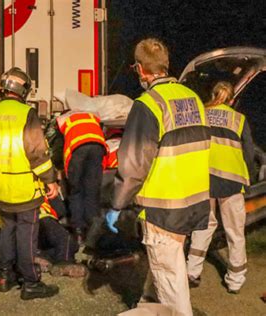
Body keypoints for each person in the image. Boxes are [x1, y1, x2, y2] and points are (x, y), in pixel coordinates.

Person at [106, 38, 211, 316]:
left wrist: (117, 204)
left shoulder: (149, 104)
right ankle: (147, 304)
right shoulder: (194, 99)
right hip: (194, 203)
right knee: (167, 266)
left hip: (165, 208)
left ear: (141, 69)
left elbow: (133, 164)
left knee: (171, 283)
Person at [0, 67, 59, 300]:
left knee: (7, 230)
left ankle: (4, 275)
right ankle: (31, 283)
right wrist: (51, 181)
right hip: (25, 190)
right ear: (24, 90)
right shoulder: (26, 114)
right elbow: (38, 154)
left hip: (1, 190)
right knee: (26, 234)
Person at [187, 81, 255, 294]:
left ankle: (192, 272)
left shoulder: (200, 114)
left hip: (204, 179)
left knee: (203, 225)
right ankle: (235, 281)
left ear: (213, 94)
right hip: (232, 181)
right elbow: (249, 153)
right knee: (235, 231)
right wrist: (249, 178)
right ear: (232, 100)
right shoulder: (239, 119)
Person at [56, 110, 107, 244]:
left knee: (76, 191)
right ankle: (93, 233)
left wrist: (60, 167)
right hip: (98, 146)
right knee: (91, 192)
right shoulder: (90, 116)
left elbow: (59, 148)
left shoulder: (62, 120)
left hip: (77, 149)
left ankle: (78, 232)